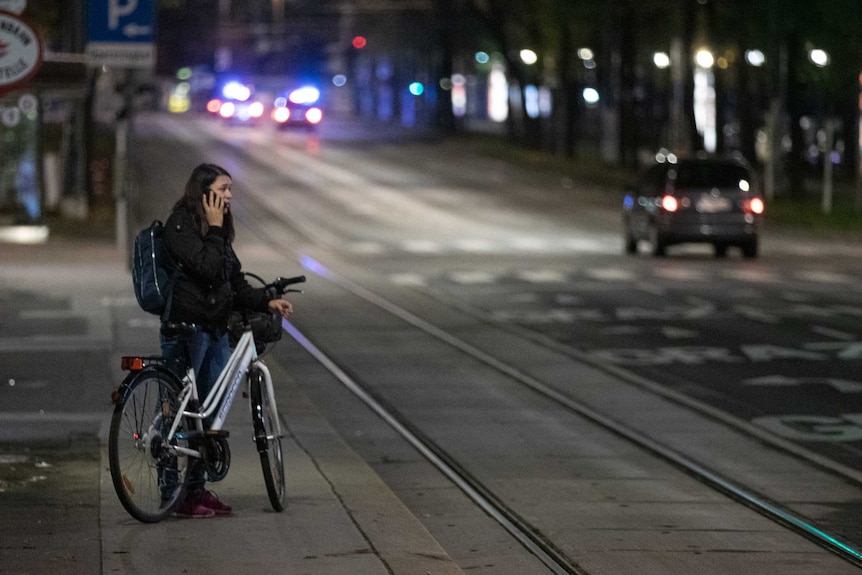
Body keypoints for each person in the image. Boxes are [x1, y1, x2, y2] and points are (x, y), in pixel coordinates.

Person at [160, 163, 293, 518]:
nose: (230, 196)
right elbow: (204, 267)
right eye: (224, 189)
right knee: (174, 411)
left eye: (231, 189)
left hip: (216, 329)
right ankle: (169, 493)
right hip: (188, 328)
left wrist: (266, 301)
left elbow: (231, 281)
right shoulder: (181, 224)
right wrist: (216, 229)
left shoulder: (219, 229)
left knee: (209, 419)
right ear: (204, 192)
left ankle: (195, 493)